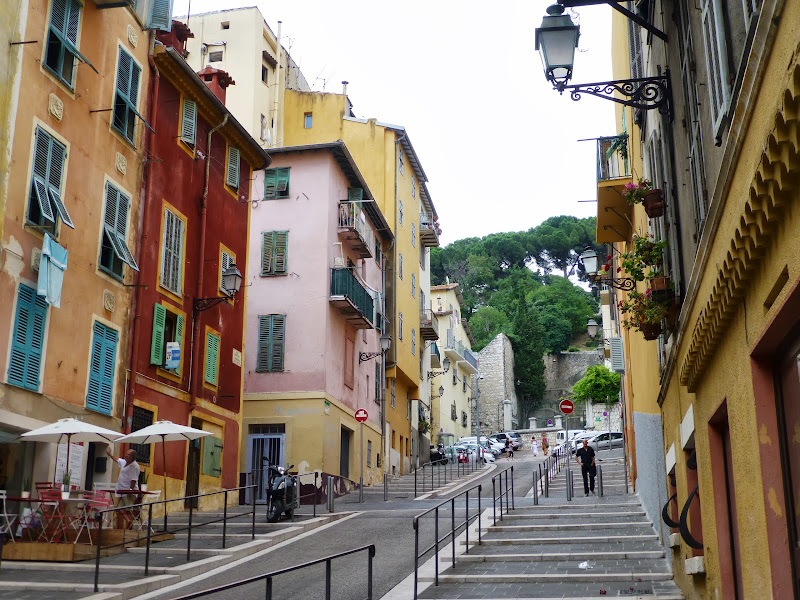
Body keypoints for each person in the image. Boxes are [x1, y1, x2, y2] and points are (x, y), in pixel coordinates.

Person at [106, 447, 140, 528]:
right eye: (126, 454)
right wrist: (110, 454)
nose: (126, 455)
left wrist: (130, 490)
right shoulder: (124, 462)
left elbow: (133, 480)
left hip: (128, 492)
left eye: (128, 454)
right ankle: (128, 521)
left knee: (127, 510)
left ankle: (129, 527)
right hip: (122, 491)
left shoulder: (134, 466)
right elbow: (117, 459)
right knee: (119, 508)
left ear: (132, 457)